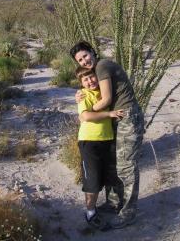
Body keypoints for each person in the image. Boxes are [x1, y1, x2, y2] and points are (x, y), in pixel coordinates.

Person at [70, 40, 144, 229]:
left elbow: (107, 99)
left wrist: (85, 113)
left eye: (85, 55)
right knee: (114, 163)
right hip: (117, 119)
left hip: (126, 116)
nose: (84, 61)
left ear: (93, 52)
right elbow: (93, 90)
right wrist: (80, 96)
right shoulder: (96, 71)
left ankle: (128, 212)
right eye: (80, 60)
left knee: (127, 165)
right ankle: (113, 203)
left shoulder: (102, 66)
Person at [76, 66, 124, 230]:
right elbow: (85, 116)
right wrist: (108, 114)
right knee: (93, 181)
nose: (90, 81)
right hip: (89, 142)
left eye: (92, 77)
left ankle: (107, 205)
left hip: (107, 140)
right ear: (81, 83)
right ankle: (90, 213)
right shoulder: (83, 95)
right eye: (86, 79)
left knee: (106, 177)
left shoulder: (105, 92)